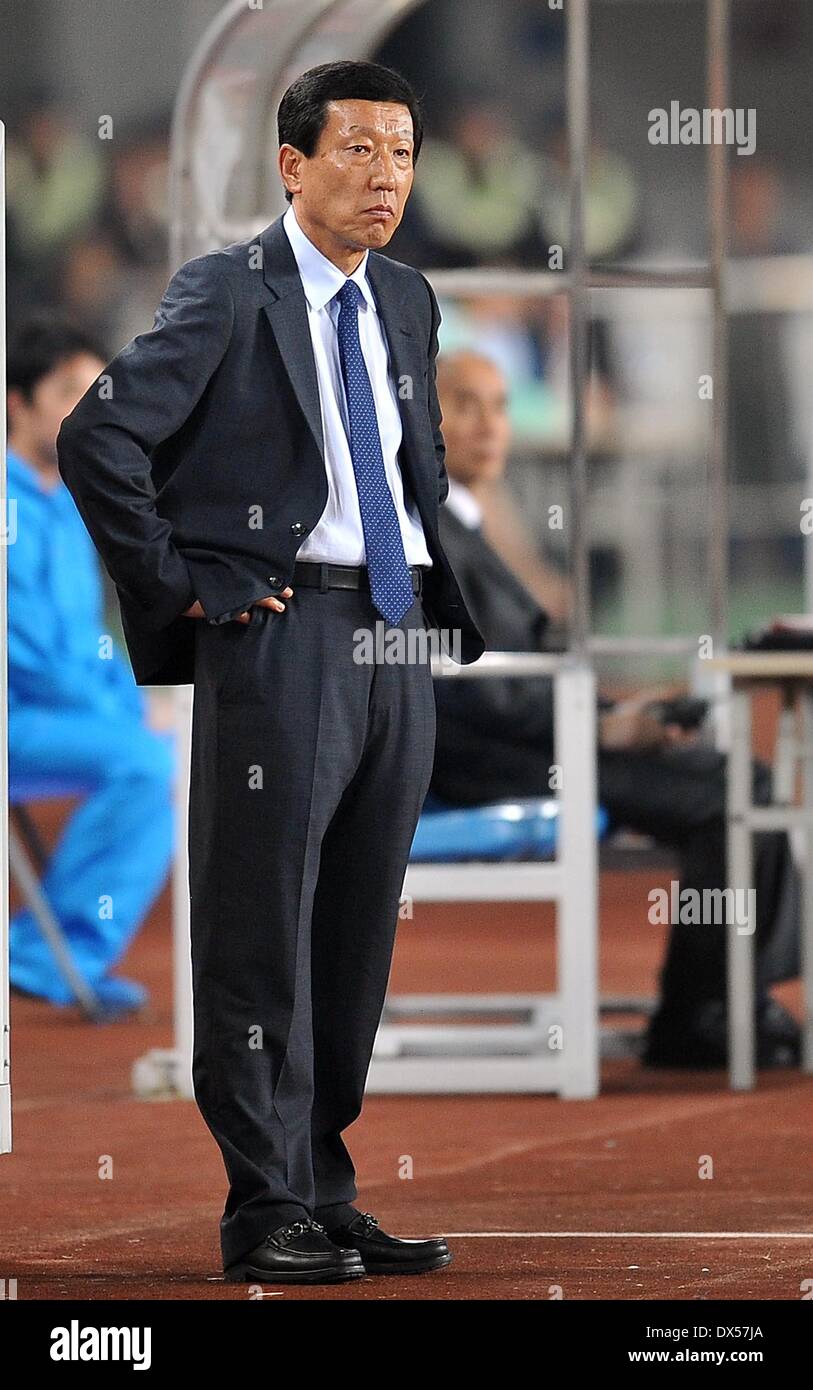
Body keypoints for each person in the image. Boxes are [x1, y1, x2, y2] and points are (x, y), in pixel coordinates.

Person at [56, 61, 484, 1284]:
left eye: (402, 152)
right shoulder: (226, 293)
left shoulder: (405, 296)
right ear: (292, 166)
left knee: (354, 932)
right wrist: (186, 584)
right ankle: (262, 1204)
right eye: (357, 151)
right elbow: (101, 436)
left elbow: (414, 461)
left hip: (392, 633)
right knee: (265, 928)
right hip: (282, 638)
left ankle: (324, 1181)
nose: (385, 176)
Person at [429, 349, 801, 1070]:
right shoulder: (426, 532)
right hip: (493, 763)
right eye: (463, 404)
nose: (487, 426)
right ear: (418, 413)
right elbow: (470, 683)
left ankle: (725, 1003)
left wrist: (619, 714)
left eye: (500, 407)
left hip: (547, 737)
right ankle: (706, 1013)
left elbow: (526, 674)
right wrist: (601, 726)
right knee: (734, 791)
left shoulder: (470, 524)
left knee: (742, 783)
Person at [6, 314, 176, 1015]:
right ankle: (44, 954)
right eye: (71, 391)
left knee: (185, 750)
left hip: (59, 716)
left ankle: (65, 949)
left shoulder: (65, 502)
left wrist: (138, 697)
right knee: (145, 761)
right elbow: (29, 655)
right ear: (18, 403)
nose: (90, 408)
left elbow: (91, 638)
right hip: (21, 717)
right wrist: (126, 714)